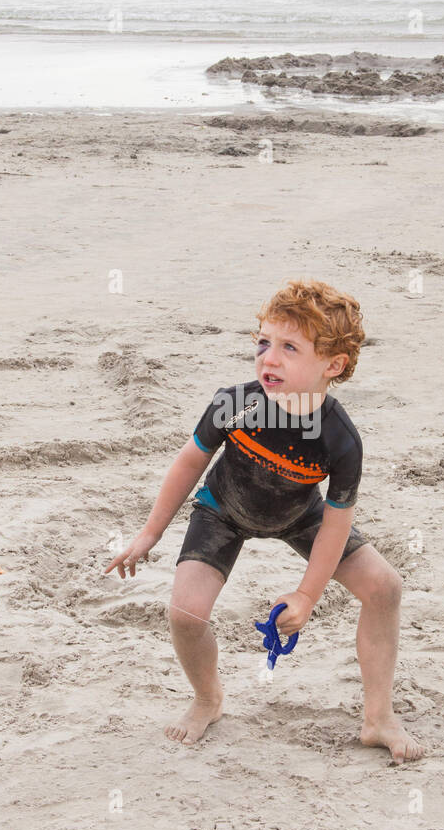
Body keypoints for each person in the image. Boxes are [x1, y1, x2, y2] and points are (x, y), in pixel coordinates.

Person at [104, 278, 425, 763]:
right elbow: (189, 463)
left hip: (300, 514)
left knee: (386, 587)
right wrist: (150, 534)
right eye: (264, 343)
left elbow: (336, 524)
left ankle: (378, 716)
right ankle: (208, 698)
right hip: (223, 512)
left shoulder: (340, 440)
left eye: (289, 348)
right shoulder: (236, 403)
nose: (268, 358)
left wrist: (306, 594)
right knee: (184, 614)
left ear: (332, 365)